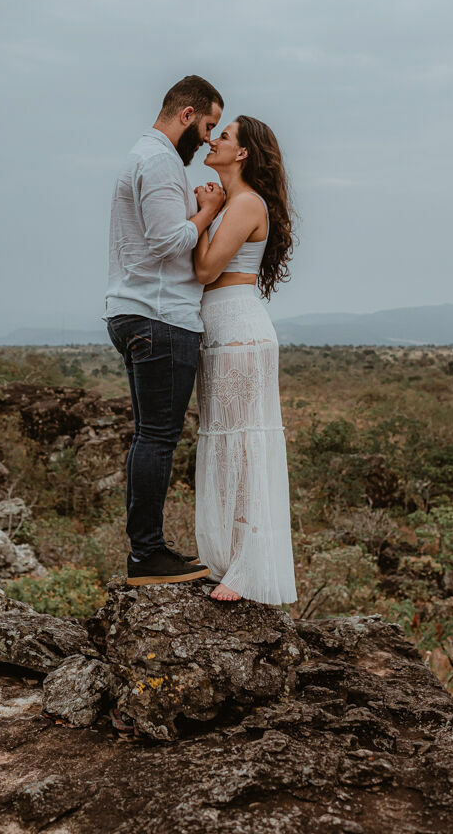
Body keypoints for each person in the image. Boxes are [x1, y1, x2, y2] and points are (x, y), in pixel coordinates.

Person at [105, 75, 225, 586]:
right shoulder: (157, 162)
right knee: (157, 438)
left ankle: (146, 552)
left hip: (140, 312)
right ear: (186, 114)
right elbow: (164, 243)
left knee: (149, 437)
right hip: (160, 315)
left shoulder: (149, 158)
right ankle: (147, 555)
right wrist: (208, 212)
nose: (208, 137)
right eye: (208, 124)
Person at [193, 116, 298, 604]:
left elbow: (208, 268)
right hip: (221, 330)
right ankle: (232, 559)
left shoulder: (245, 202)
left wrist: (204, 214)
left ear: (242, 154)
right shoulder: (231, 203)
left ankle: (248, 568)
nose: (213, 139)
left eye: (225, 135)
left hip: (238, 331)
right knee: (225, 443)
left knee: (244, 446)